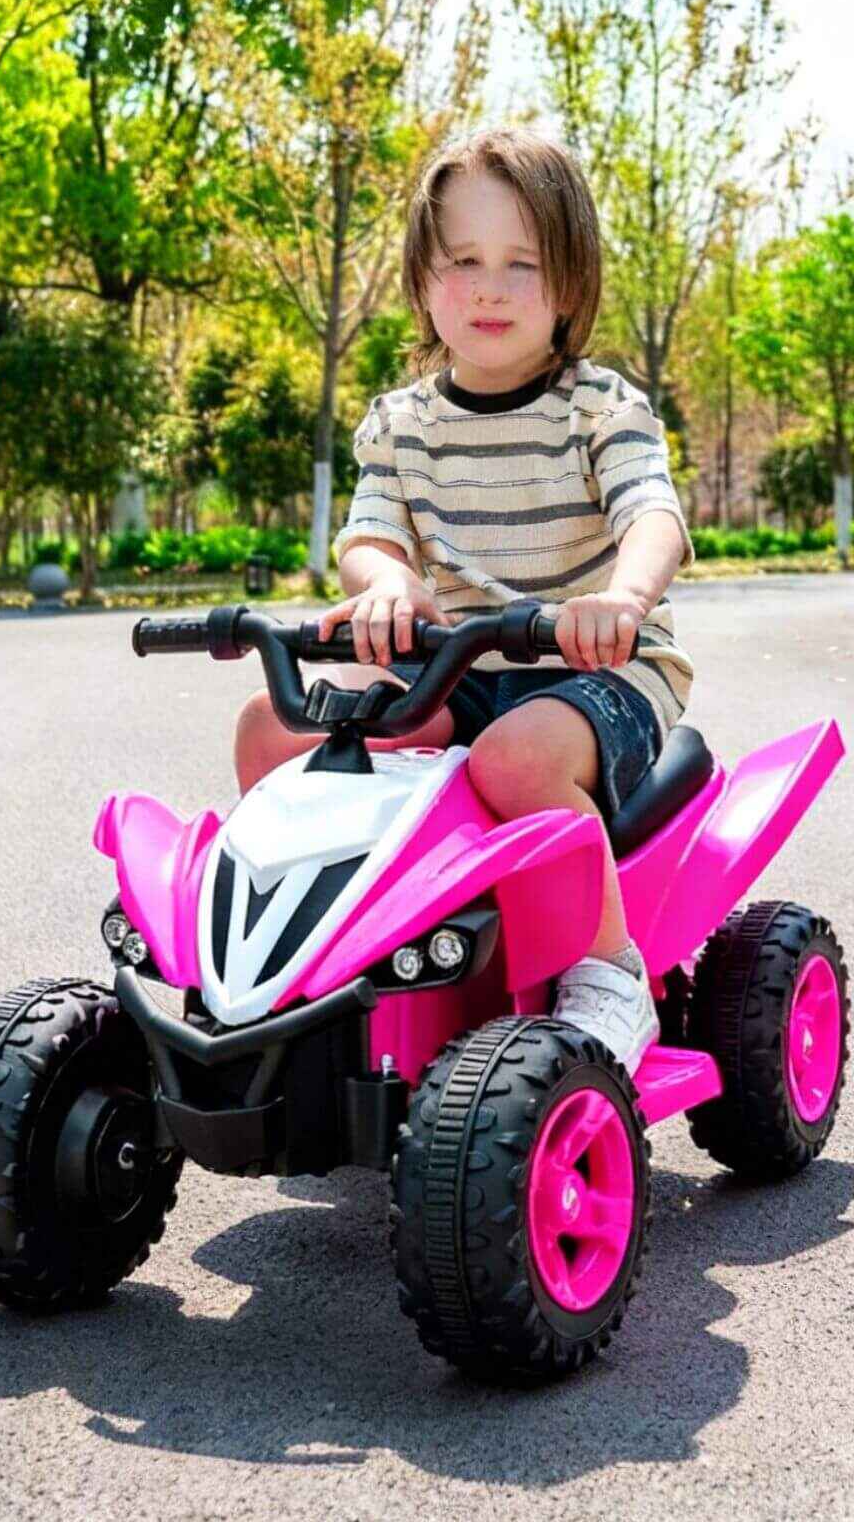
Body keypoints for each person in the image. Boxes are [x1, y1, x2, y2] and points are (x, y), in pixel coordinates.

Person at [232, 125, 694, 1071]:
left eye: (522, 263)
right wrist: (388, 582)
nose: (489, 288)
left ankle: (605, 971)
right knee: (274, 729)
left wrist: (623, 596)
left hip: (594, 670)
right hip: (457, 665)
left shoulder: (600, 408)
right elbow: (367, 534)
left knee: (515, 760)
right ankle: (322, 937)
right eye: (464, 260)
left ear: (569, 281)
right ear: (421, 275)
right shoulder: (402, 423)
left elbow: (656, 516)